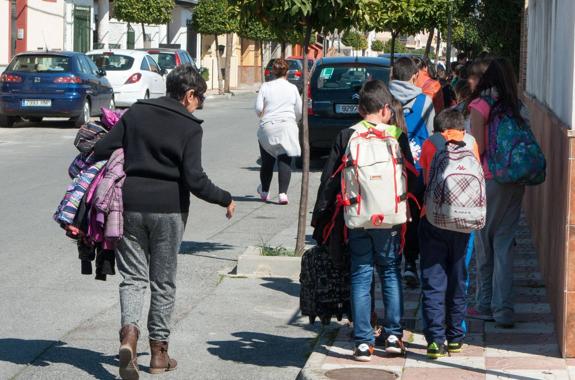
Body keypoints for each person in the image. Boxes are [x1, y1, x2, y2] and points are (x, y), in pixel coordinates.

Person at [93, 65, 236, 380]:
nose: (199, 105)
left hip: (128, 206)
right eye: (200, 99)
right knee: (163, 282)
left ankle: (129, 336)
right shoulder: (189, 126)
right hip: (169, 211)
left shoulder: (136, 113)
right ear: (188, 95)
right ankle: (158, 354)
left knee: (132, 279)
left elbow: (102, 148)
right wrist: (225, 198)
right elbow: (195, 180)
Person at [312, 80, 417, 362]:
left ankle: (363, 342)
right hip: (391, 219)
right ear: (385, 108)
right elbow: (411, 177)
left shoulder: (347, 135)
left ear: (360, 109)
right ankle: (394, 335)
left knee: (361, 274)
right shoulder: (396, 135)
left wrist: (320, 218)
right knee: (391, 272)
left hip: (358, 217)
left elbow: (329, 181)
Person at [466, 58, 527, 328]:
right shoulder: (516, 106)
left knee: (484, 246)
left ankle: (484, 305)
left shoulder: (480, 106)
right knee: (504, 245)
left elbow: (477, 148)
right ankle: (504, 310)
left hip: (489, 179)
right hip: (515, 179)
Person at [418, 109, 480, 359]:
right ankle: (455, 338)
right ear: (461, 128)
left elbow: (425, 181)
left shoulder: (430, 144)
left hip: (432, 219)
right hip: (464, 221)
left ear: (438, 128)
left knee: (433, 279)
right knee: (458, 278)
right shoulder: (471, 143)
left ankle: (435, 340)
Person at [389, 57, 435, 288]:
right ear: (414, 76)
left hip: (388, 166)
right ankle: (410, 263)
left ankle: (389, 263)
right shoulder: (425, 101)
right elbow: (432, 133)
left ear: (393, 74)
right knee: (413, 216)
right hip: (417, 169)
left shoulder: (384, 99)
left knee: (389, 214)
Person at [255, 58, 302, 205]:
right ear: (287, 72)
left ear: (273, 72)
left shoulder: (265, 87)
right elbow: (299, 110)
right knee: (285, 160)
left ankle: (264, 191)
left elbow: (258, 108)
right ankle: (283, 194)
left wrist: (263, 116)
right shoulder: (293, 88)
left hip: (268, 127)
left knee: (267, 160)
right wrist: (294, 120)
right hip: (287, 126)